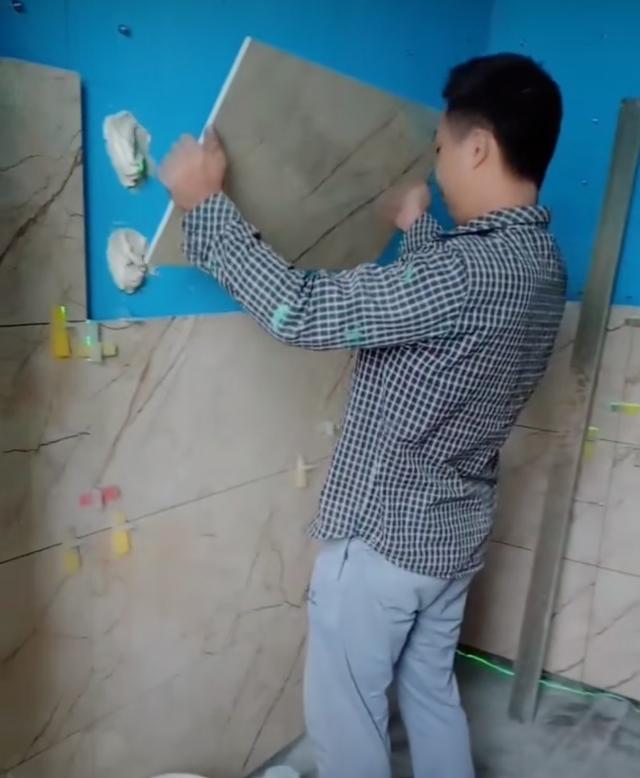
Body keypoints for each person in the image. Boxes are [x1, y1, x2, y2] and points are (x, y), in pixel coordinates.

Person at [160, 52, 565, 778]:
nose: (439, 169)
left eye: (441, 150)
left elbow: (300, 310)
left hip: (383, 545)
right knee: (432, 695)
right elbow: (451, 310)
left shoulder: (466, 272)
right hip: (452, 535)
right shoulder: (541, 263)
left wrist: (204, 204)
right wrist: (416, 226)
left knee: (347, 724)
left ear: (478, 147)